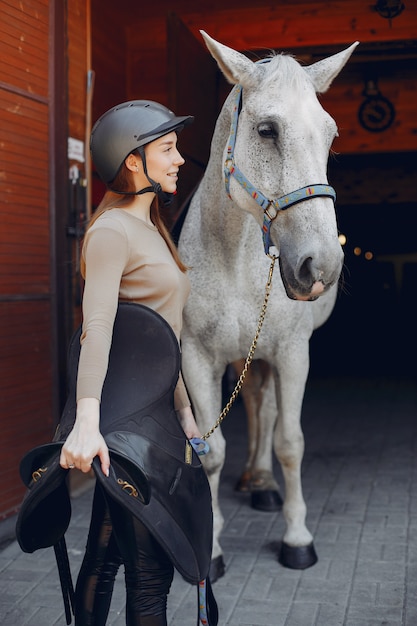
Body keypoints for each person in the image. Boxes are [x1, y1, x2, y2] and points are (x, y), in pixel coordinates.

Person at [59, 100, 207, 626]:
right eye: (167, 150)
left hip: (155, 423)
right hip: (126, 433)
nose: (179, 159)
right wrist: (86, 420)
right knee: (151, 577)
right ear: (132, 162)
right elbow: (96, 328)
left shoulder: (153, 230)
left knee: (108, 550)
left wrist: (186, 414)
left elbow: (164, 338)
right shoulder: (110, 232)